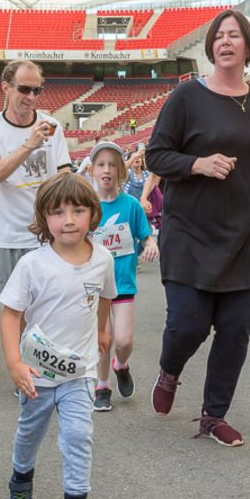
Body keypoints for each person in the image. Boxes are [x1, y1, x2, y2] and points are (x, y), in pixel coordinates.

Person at [145, 9, 250, 446]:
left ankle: (213, 416)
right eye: (219, 36)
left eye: (234, 35)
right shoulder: (187, 98)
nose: (226, 42)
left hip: (247, 235)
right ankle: (170, 369)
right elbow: (156, 156)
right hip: (192, 231)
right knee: (188, 324)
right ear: (211, 47)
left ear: (248, 46)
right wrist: (197, 163)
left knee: (236, 329)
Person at [0, 172, 115, 499]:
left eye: (78, 211)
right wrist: (15, 364)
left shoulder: (103, 259)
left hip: (79, 372)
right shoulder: (34, 264)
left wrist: (101, 330)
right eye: (58, 212)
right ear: (44, 219)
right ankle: (20, 481)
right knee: (30, 434)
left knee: (79, 436)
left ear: (92, 215)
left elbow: (103, 297)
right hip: (36, 372)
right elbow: (10, 315)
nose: (68, 220)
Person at [0, 60, 71, 293]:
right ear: (5, 87)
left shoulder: (51, 125)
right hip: (7, 237)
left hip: (47, 235)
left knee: (48, 305)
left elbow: (64, 176)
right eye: (24, 89)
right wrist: (29, 145)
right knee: (13, 309)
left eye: (36, 91)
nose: (31, 96)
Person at [87, 141, 159, 411]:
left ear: (121, 171)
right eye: (101, 164)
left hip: (123, 283)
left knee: (125, 340)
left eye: (112, 165)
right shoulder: (87, 206)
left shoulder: (131, 205)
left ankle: (122, 364)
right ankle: (102, 386)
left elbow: (146, 236)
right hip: (95, 286)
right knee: (103, 340)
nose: (107, 170)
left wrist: (151, 245)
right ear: (93, 170)